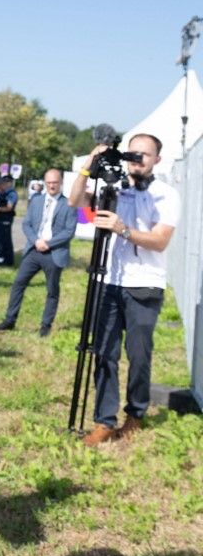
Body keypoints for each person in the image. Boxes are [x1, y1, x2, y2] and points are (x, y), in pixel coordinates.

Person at [69, 135, 180, 446]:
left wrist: (123, 229)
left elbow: (160, 241)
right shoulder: (113, 187)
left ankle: (135, 415)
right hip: (108, 282)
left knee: (139, 354)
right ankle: (104, 421)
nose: (137, 159)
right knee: (104, 352)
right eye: (134, 153)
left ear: (157, 159)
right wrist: (88, 165)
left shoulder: (166, 195)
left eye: (145, 155)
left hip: (145, 284)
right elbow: (75, 202)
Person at [0, 169, 77, 336]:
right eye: (49, 182)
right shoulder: (36, 201)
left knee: (52, 290)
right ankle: (10, 320)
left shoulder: (68, 204)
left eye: (55, 182)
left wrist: (49, 243)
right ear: (45, 183)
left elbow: (69, 231)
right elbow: (27, 224)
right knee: (18, 283)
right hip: (34, 250)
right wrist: (36, 241)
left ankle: (45, 326)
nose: (52, 185)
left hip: (54, 253)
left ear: (60, 183)